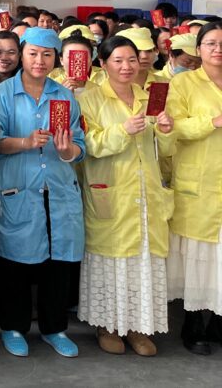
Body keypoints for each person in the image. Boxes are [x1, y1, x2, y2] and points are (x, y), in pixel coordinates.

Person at [0, 27, 86, 359]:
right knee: (14, 264)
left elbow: (80, 145)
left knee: (58, 263)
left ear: (56, 58)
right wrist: (25, 142)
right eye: (33, 53)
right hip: (18, 187)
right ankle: (13, 326)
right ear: (22, 55)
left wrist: (68, 150)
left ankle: (54, 328)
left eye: (47, 55)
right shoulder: (3, 95)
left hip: (58, 188)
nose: (39, 61)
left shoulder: (65, 96)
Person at [76, 35, 174, 356]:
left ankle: (137, 328)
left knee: (142, 259)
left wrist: (166, 130)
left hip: (146, 192)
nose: (126, 66)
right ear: (103, 64)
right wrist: (122, 131)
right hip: (111, 190)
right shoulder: (89, 99)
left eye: (131, 59)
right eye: (117, 60)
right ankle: (107, 326)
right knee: (111, 260)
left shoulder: (151, 97)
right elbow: (89, 145)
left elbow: (165, 149)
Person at [165, 21, 222, 355]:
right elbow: (175, 127)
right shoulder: (184, 83)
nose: (218, 49)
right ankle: (194, 322)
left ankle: (218, 321)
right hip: (199, 180)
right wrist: (212, 122)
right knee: (199, 257)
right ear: (198, 49)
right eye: (211, 43)